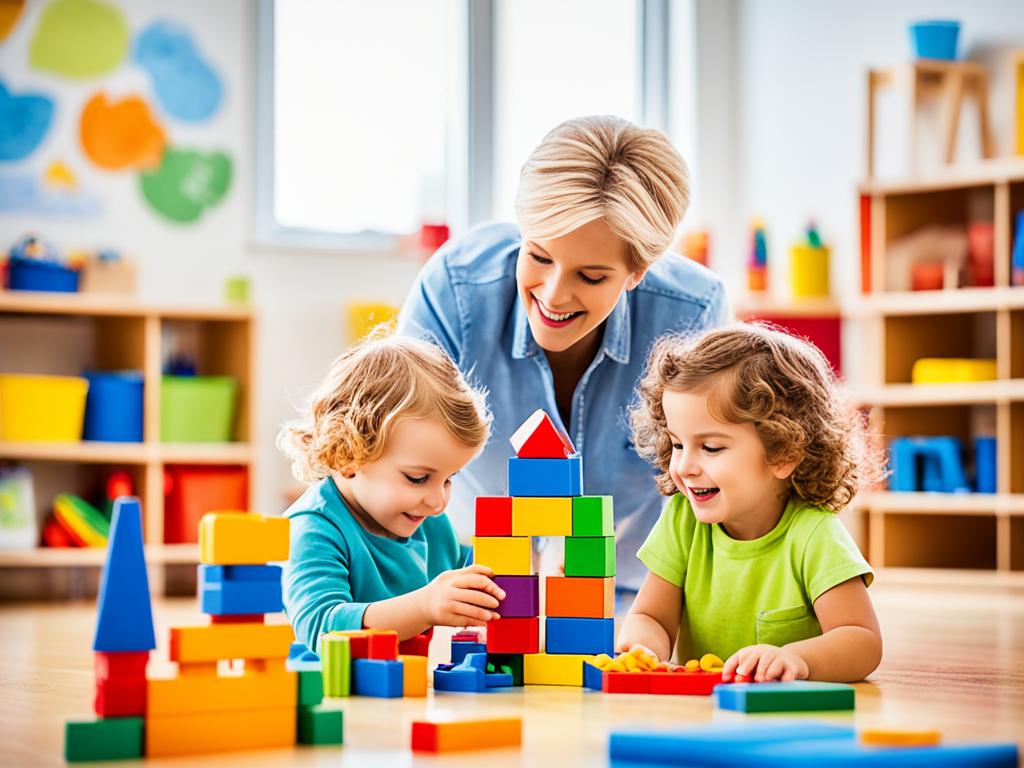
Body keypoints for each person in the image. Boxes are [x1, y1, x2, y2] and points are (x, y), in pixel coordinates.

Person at [397, 115, 728, 592]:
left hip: (631, 598)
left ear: (638, 272)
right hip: (469, 592)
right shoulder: (454, 288)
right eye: (538, 257)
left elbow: (723, 493)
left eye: (591, 277)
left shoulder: (693, 315)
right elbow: (383, 457)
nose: (553, 296)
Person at [617, 324, 884, 683]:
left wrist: (796, 659)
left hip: (785, 715)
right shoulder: (683, 520)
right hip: (702, 714)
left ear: (783, 452)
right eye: (678, 444)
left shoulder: (813, 534)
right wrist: (643, 648)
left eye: (711, 448)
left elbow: (862, 641)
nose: (684, 466)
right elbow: (651, 617)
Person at [278, 335, 505, 652]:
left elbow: (474, 583)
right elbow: (321, 627)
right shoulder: (313, 530)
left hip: (405, 694)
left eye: (449, 479)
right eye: (418, 478)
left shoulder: (429, 526)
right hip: (336, 695)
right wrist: (425, 607)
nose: (438, 502)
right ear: (348, 456)